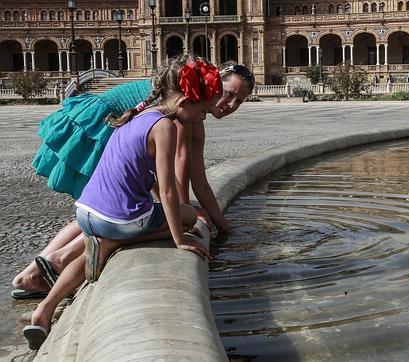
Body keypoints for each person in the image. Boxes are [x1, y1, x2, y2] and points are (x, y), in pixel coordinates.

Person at [22, 55, 224, 350]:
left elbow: (146, 179)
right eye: (203, 110)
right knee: (190, 216)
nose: (204, 118)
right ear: (183, 103)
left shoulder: (135, 116)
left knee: (99, 245)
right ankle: (118, 242)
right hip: (118, 221)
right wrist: (179, 238)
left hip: (87, 212)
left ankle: (43, 310)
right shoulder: (165, 127)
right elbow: (168, 190)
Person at [12, 64, 255, 300]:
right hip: (100, 125)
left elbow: (198, 179)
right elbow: (179, 171)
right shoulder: (182, 111)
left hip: (109, 124)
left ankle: (34, 272)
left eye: (240, 101)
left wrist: (222, 226)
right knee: (108, 209)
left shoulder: (190, 105)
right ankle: (48, 266)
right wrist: (182, 217)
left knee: (98, 209)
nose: (231, 104)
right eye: (228, 94)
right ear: (213, 84)